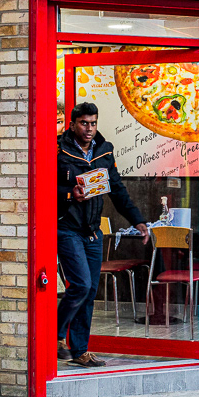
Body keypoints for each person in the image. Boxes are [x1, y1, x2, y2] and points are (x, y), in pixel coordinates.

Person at [57, 102, 149, 367]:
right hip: (67, 228)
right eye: (84, 123)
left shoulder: (104, 151)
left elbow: (117, 189)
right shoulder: (58, 150)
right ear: (72, 123)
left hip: (92, 232)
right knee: (81, 286)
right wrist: (67, 194)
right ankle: (56, 334)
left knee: (89, 291)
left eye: (93, 123)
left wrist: (137, 220)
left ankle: (80, 351)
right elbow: (40, 187)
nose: (89, 129)